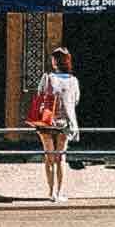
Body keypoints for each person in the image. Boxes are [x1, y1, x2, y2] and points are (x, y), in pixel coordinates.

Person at [33, 46, 81, 202]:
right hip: (65, 123)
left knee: (49, 158)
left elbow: (39, 95)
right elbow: (76, 100)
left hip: (47, 122)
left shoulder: (47, 77)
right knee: (61, 158)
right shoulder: (74, 81)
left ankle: (51, 192)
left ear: (54, 61)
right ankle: (60, 193)